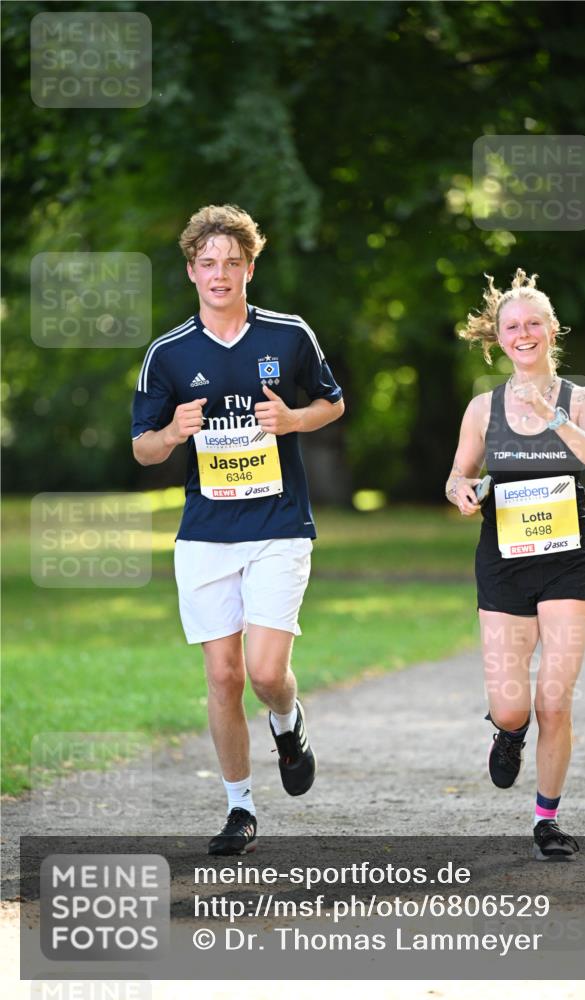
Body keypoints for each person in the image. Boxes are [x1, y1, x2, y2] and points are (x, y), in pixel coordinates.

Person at [132, 204, 344, 855]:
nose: (219, 273)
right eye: (207, 263)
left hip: (279, 525)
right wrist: (173, 432)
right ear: (191, 270)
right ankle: (239, 808)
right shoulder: (167, 354)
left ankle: (288, 720)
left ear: (250, 267)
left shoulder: (288, 336)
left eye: (232, 262)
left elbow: (332, 403)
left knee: (263, 671)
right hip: (204, 535)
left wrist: (292, 422)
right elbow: (143, 447)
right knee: (222, 676)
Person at [446, 269, 585, 861]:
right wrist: (460, 491)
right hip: (504, 562)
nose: (523, 334)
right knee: (515, 704)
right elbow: (458, 474)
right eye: (512, 326)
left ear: (551, 331)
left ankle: (547, 818)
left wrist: (555, 415)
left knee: (555, 699)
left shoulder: (583, 399)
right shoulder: (481, 407)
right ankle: (508, 732)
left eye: (533, 324)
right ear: (498, 337)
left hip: (571, 562)